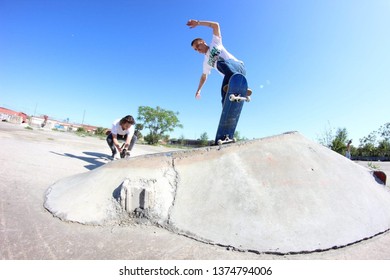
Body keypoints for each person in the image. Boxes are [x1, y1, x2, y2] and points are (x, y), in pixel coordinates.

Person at [187, 19, 251, 105]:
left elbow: (215, 25)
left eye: (198, 45)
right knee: (224, 97)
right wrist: (198, 90)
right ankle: (228, 114)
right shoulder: (206, 62)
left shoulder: (215, 43)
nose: (198, 49)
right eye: (196, 49)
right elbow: (203, 77)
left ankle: (239, 85)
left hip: (238, 67)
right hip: (230, 78)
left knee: (218, 63)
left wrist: (198, 23)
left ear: (203, 42)